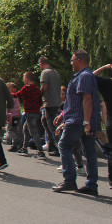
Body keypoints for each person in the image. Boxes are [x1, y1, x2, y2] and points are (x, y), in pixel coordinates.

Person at [52, 50, 102, 195]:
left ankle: (69, 180)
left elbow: (87, 99)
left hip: (78, 120)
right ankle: (91, 185)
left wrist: (86, 122)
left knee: (64, 145)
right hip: (79, 118)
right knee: (89, 151)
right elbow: (75, 100)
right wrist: (63, 114)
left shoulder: (84, 76)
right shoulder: (85, 75)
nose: (71, 63)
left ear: (79, 60)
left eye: (72, 60)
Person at [11, 72, 47, 158]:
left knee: (34, 132)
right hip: (36, 113)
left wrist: (8, 94)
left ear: (27, 79)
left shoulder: (26, 88)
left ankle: (41, 151)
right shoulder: (37, 89)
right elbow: (39, 102)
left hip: (29, 113)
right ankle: (24, 147)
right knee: (26, 129)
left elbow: (16, 95)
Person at [92, 63, 112, 188]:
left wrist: (104, 67)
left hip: (111, 121)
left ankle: (111, 178)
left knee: (111, 150)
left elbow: (91, 77)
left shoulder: (107, 83)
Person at [39, 56, 62, 156]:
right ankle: (52, 145)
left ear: (41, 64)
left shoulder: (45, 73)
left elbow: (44, 87)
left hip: (49, 103)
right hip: (57, 102)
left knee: (52, 127)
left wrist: (37, 96)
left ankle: (59, 148)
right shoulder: (56, 73)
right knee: (44, 121)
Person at [5, 82, 23, 152]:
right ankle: (15, 144)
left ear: (12, 89)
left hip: (13, 115)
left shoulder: (11, 96)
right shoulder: (15, 96)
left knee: (10, 129)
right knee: (15, 129)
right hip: (17, 115)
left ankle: (17, 141)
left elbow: (9, 106)